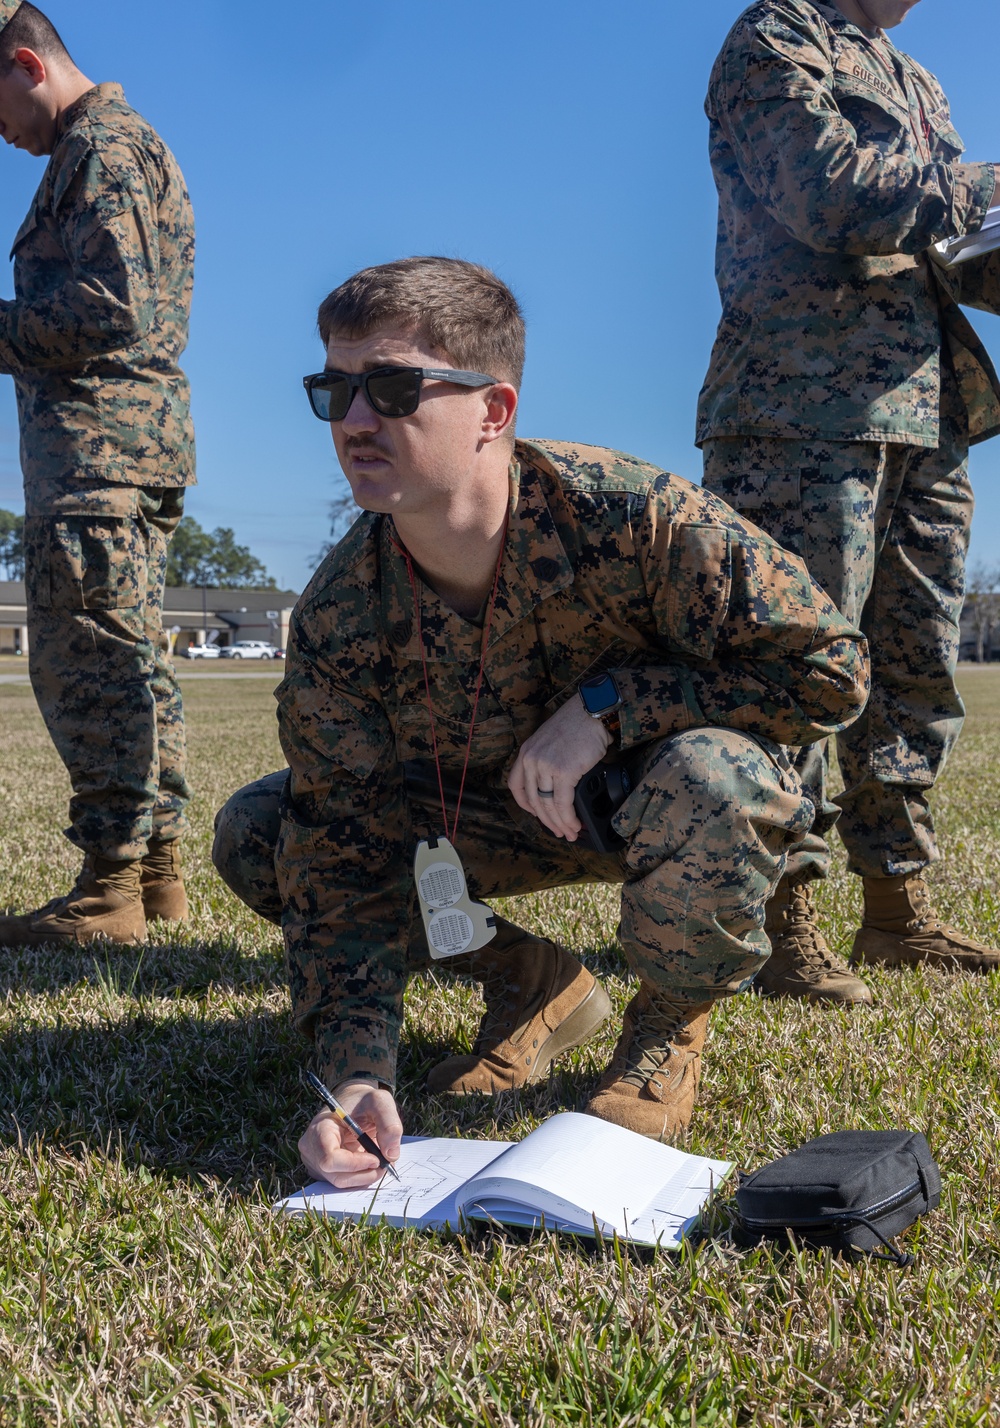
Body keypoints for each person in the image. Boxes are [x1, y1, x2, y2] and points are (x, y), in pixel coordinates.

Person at [212, 255, 868, 1182]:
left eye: (393, 388)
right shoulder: (341, 610)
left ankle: (666, 1027)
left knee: (715, 775)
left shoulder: (637, 519)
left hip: (658, 802)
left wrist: (611, 707)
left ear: (494, 410)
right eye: (336, 392)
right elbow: (341, 853)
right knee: (261, 831)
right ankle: (534, 986)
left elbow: (833, 673)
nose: (356, 421)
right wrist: (356, 1075)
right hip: (479, 818)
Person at [698, 0, 1000, 1004]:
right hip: (798, 409)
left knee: (914, 666)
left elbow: (925, 239)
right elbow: (823, 194)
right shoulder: (776, 39)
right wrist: (982, 189)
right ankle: (780, 928)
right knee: (795, 667)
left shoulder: (912, 78)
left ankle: (894, 911)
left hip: (923, 409)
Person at [0, 1, 195, 947]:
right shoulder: (111, 146)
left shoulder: (101, 150)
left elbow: (112, 304)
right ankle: (154, 876)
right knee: (137, 664)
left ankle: (110, 887)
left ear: (27, 65)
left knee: (92, 668)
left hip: (97, 458)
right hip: (120, 452)